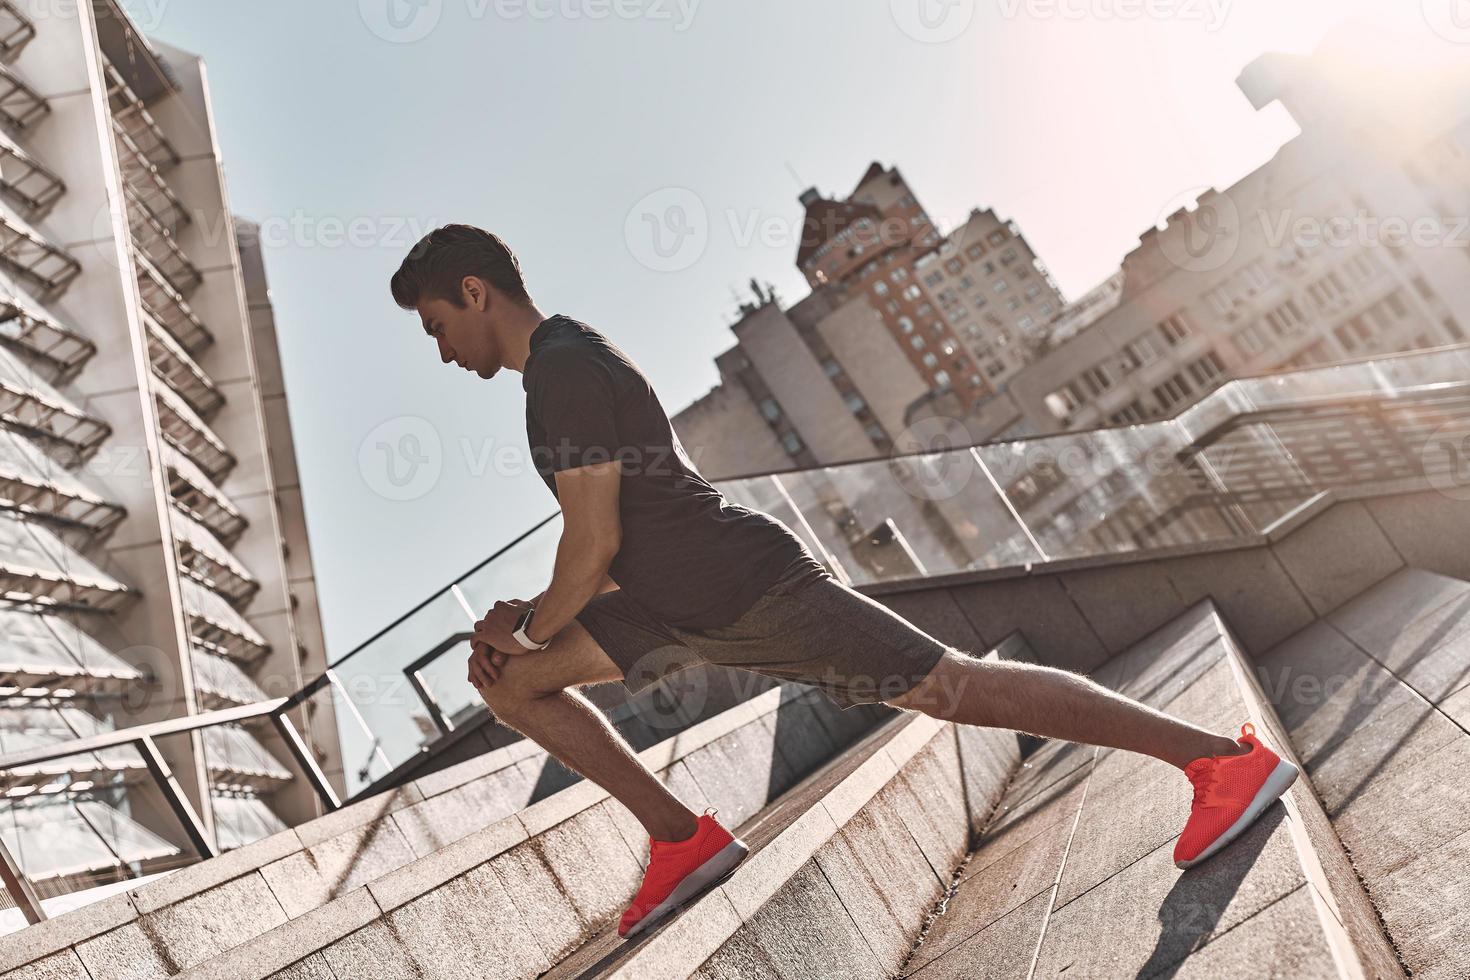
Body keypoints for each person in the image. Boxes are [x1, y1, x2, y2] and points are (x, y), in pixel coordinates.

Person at [389, 224, 1298, 940]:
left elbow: (592, 542)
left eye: (436, 326)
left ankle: (1219, 759)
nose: (440, 351)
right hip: (670, 604)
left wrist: (537, 624)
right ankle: (680, 838)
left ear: (475, 292)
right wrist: (527, 631)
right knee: (515, 684)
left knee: (950, 686)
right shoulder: (556, 372)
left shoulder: (562, 370)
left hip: (743, 588)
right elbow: (608, 539)